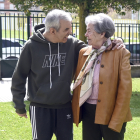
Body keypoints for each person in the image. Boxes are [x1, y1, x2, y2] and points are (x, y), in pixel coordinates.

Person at [11, 9, 125, 140]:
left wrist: (116, 41)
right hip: (40, 107)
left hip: (64, 106)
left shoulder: (72, 44)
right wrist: (19, 105)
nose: (70, 32)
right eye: (66, 29)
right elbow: (19, 77)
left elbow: (97, 47)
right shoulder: (31, 46)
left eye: (70, 28)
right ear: (53, 30)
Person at [72, 13, 132, 140]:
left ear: (102, 33)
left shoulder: (120, 53)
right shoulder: (84, 53)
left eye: (89, 31)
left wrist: (117, 120)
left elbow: (125, 91)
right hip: (88, 111)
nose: (85, 34)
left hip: (111, 112)